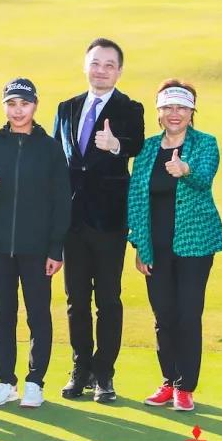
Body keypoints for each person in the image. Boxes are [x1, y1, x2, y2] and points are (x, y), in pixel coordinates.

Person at [52, 38, 145, 403]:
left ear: (119, 71)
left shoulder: (129, 108)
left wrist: (115, 145)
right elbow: (58, 158)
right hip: (72, 221)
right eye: (95, 63)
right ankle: (81, 368)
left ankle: (104, 372)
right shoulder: (67, 107)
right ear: (85, 66)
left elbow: (136, 144)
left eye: (109, 65)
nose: (101, 70)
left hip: (109, 220)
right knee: (75, 299)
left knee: (108, 298)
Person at [129, 80, 222, 412]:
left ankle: (185, 387)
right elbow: (136, 199)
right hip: (155, 246)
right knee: (163, 316)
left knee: (187, 314)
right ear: (158, 112)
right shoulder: (146, 149)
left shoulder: (205, 143)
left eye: (182, 108)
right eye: (168, 107)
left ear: (192, 112)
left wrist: (185, 169)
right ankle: (168, 380)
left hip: (195, 245)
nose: (175, 114)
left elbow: (204, 177)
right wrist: (140, 246)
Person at [0, 78, 71, 408]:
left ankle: (34, 382)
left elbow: (61, 201)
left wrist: (56, 248)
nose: (18, 111)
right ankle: (6, 381)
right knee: (3, 315)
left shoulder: (50, 148)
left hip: (37, 249)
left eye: (24, 104)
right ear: (4, 106)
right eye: (12, 104)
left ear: (35, 106)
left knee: (38, 315)